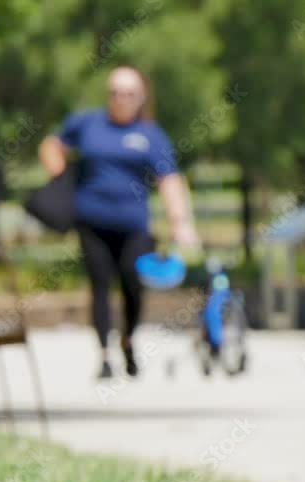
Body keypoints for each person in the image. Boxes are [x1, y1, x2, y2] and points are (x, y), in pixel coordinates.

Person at [38, 66, 199, 380]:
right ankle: (103, 356)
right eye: (114, 92)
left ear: (140, 97)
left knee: (132, 285)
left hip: (133, 225)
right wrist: (60, 179)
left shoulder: (150, 135)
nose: (120, 99)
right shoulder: (88, 123)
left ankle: (127, 340)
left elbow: (168, 179)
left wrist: (180, 223)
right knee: (99, 285)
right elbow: (51, 145)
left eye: (128, 93)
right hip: (91, 221)